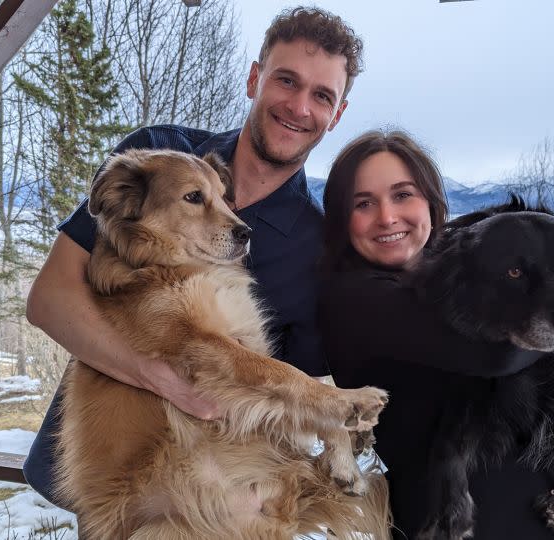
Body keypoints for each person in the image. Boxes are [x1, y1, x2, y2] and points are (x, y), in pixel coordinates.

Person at [23, 6, 362, 507]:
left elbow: (294, 389)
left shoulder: (319, 246)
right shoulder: (156, 155)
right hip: (109, 465)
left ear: (337, 115)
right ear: (255, 78)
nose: (298, 106)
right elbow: (49, 298)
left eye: (322, 96)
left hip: (211, 496)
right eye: (286, 80)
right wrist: (157, 374)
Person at [318, 130, 554, 539]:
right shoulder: (354, 299)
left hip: (540, 514)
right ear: (343, 221)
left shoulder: (454, 282)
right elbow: (495, 354)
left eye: (402, 195)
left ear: (431, 202)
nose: (387, 217)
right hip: (450, 524)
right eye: (363, 203)